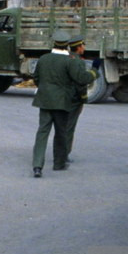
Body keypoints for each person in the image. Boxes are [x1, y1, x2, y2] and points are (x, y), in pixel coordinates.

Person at [31, 30, 94, 177]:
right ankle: (58, 164)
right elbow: (81, 79)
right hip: (62, 102)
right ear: (67, 45)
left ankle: (37, 166)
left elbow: (36, 78)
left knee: (42, 132)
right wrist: (94, 73)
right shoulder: (69, 61)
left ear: (54, 43)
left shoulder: (44, 58)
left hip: (45, 100)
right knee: (61, 133)